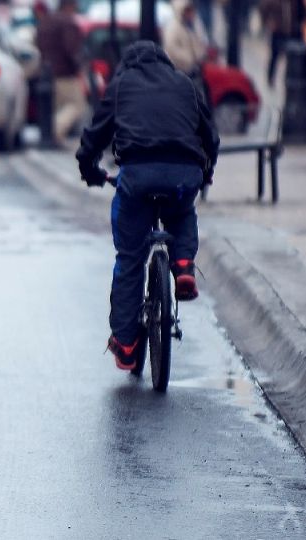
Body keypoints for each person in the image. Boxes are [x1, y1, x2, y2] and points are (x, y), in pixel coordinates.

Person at [75, 41, 219, 370]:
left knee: (129, 259)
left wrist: (90, 172)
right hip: (184, 173)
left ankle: (125, 344)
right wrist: (206, 172)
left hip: (137, 177)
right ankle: (183, 264)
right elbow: (210, 135)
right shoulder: (185, 83)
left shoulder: (121, 85)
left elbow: (94, 136)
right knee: (182, 210)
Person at [35, 0, 87, 146]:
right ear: (70, 5)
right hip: (65, 73)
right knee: (76, 105)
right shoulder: (67, 22)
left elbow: (38, 44)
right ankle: (55, 132)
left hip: (47, 73)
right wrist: (79, 67)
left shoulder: (46, 21)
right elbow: (72, 49)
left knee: (58, 108)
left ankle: (54, 136)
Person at [259, 0, 298, 87]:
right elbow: (263, 9)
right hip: (277, 31)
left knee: (289, 56)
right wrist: (268, 23)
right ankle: (271, 78)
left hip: (289, 31)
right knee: (275, 55)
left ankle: (287, 79)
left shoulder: (292, 2)